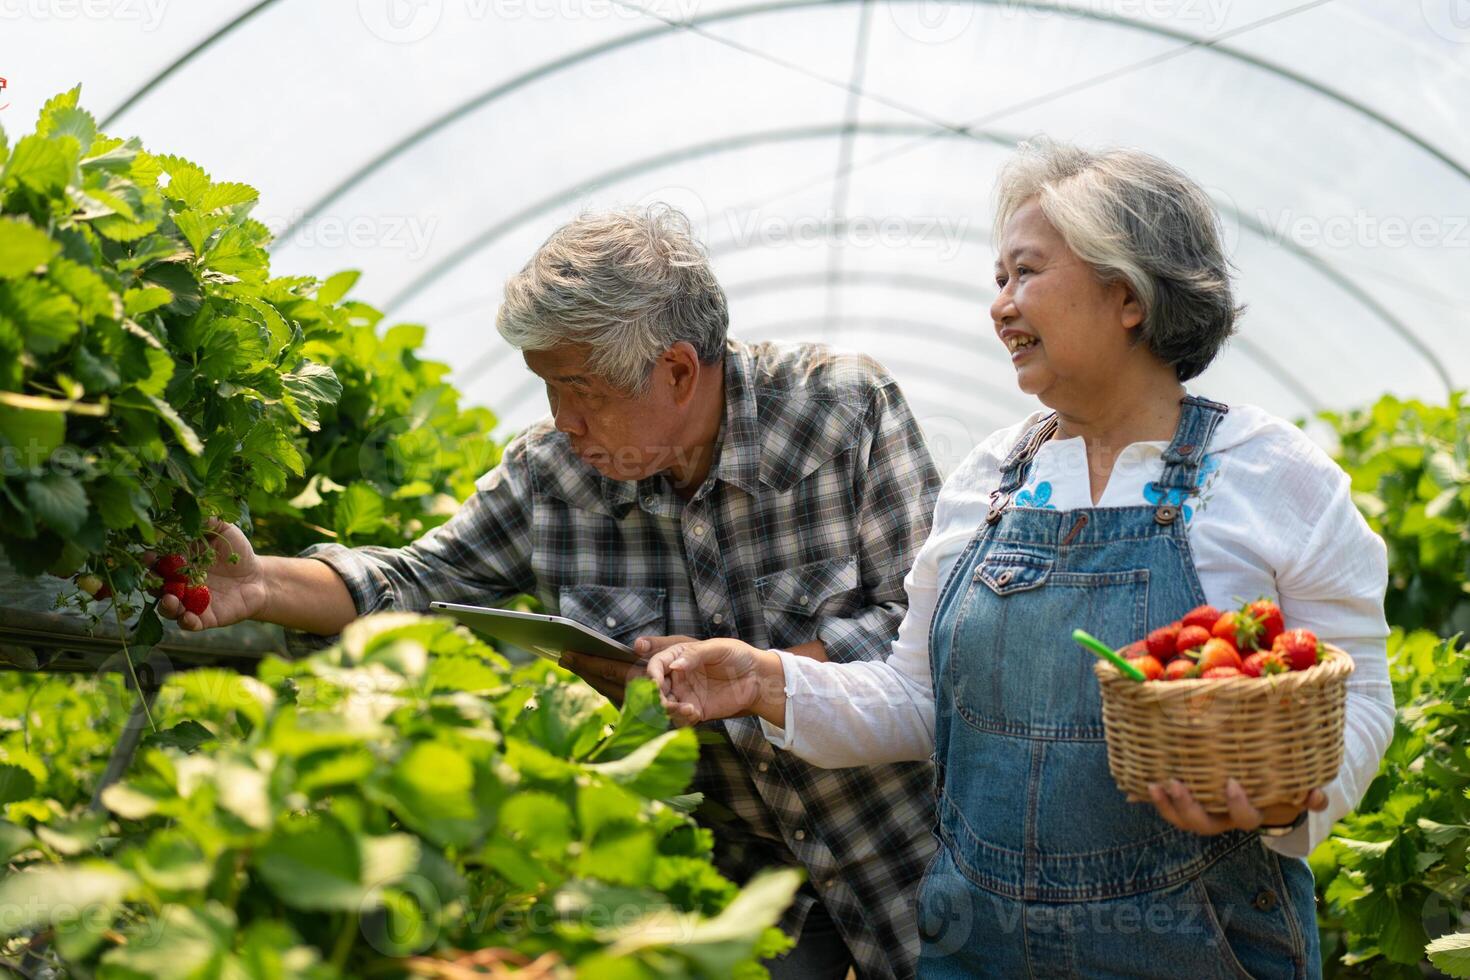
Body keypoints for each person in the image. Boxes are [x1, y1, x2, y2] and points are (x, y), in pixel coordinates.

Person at [642, 139, 1395, 978]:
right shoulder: (989, 480)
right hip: (980, 946)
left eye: (1025, 273)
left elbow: (1357, 692)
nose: (999, 307)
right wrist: (766, 680)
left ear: (1127, 293)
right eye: (997, 280)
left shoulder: (1271, 477)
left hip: (1198, 945)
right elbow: (918, 699)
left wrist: (1292, 805)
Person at [157, 206, 943, 979]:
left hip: (904, 846)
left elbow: (930, 633)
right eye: (547, 389)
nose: (564, 420)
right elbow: (420, 580)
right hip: (743, 882)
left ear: (676, 369)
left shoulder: (843, 414)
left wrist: (758, 679)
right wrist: (263, 583)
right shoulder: (550, 476)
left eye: (583, 389)